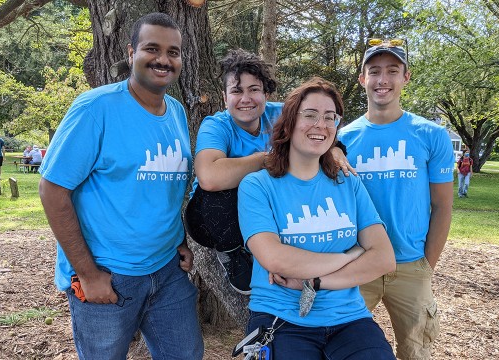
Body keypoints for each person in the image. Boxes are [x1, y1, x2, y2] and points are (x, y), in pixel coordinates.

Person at [38, 13, 203, 359]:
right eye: (152, 48)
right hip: (109, 276)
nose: (163, 59)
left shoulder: (175, 111)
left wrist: (182, 240)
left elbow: (170, 186)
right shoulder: (95, 108)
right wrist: (88, 274)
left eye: (173, 52)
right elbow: (52, 191)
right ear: (131, 53)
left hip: (167, 272)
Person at [237, 77, 396, 359]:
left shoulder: (348, 183)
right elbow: (275, 259)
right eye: (310, 115)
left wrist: (315, 281)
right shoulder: (257, 186)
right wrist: (351, 255)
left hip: (348, 319)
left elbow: (383, 258)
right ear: (289, 122)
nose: (320, 125)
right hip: (281, 317)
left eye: (329, 117)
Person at [184, 49, 352, 295]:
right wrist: (265, 159)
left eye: (254, 89)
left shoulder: (280, 114)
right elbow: (209, 177)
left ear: (266, 93)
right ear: (224, 96)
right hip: (215, 216)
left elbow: (318, 127)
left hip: (272, 205)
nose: (246, 98)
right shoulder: (217, 125)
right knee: (223, 190)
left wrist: (336, 149)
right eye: (237, 91)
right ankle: (231, 251)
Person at [337, 39, 455, 359]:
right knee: (343, 347)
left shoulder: (431, 135)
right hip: (359, 265)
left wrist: (426, 265)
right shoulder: (343, 140)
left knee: (416, 352)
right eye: (374, 71)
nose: (383, 80)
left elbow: (443, 205)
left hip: (411, 267)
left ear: (406, 77)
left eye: (392, 70)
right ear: (362, 79)